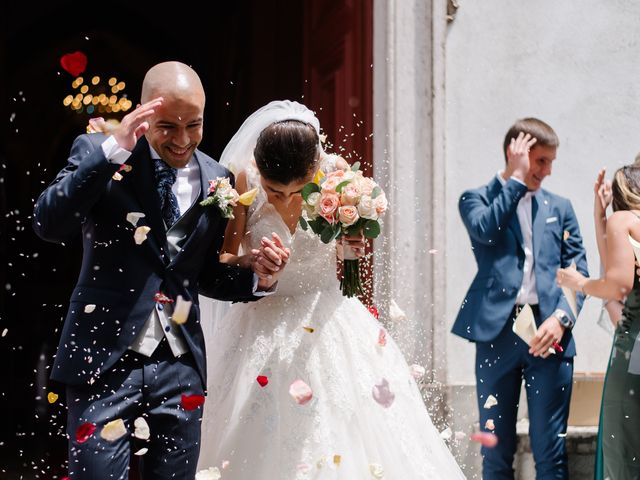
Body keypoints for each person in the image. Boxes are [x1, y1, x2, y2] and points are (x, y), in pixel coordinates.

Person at [32, 61, 287, 479]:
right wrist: (112, 150)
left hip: (179, 367)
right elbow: (49, 222)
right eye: (168, 126)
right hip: (103, 362)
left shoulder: (217, 179)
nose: (183, 140)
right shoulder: (98, 151)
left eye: (195, 125)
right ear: (144, 112)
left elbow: (202, 275)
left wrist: (259, 276)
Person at [197, 100, 466, 479]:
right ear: (259, 171)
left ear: (314, 171)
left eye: (298, 191)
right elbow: (223, 258)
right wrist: (253, 261)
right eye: (274, 192)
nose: (285, 201)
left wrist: (352, 247)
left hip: (329, 322)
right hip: (260, 325)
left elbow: (348, 264)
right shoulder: (242, 180)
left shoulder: (338, 176)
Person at [452, 118, 588, 479]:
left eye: (550, 162)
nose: (547, 171)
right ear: (519, 155)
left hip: (548, 334)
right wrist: (514, 180)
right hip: (498, 335)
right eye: (541, 161)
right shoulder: (476, 199)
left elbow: (578, 271)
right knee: (495, 453)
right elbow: (486, 232)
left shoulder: (560, 207)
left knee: (551, 453)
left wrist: (561, 319)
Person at [558, 165, 640, 480]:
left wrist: (579, 283)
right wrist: (600, 217)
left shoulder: (624, 220)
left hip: (633, 356)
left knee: (624, 448)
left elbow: (616, 284)